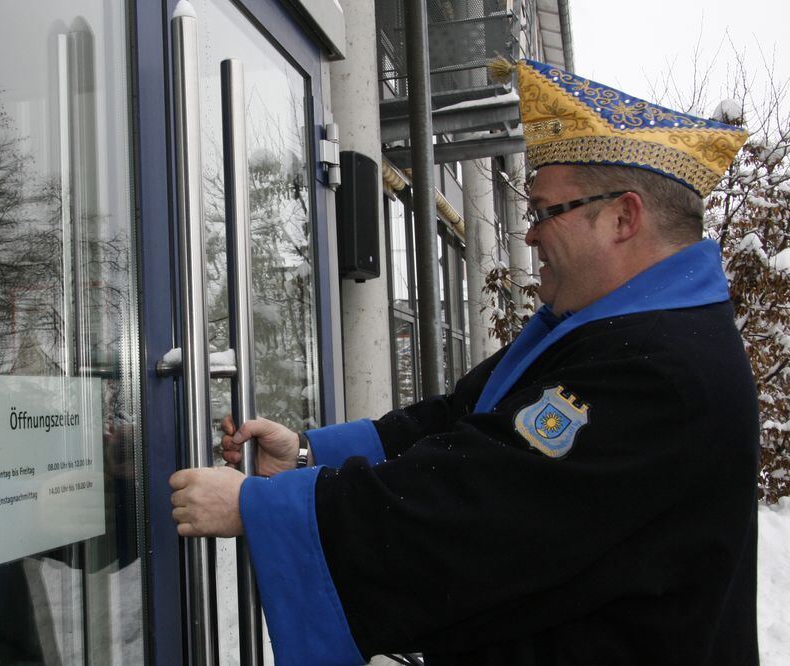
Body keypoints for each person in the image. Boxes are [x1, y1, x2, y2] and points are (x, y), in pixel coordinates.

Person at [169, 59, 759, 665]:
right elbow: (462, 421)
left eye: (544, 210)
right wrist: (306, 454)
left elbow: (474, 512)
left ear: (622, 217)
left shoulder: (662, 371)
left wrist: (261, 509)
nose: (529, 235)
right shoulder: (612, 332)